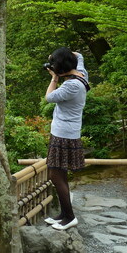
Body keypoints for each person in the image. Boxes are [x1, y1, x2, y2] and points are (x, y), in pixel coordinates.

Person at [43, 47, 89, 230]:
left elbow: (49, 97)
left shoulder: (71, 86)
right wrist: (61, 56)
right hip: (68, 132)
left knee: (55, 175)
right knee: (60, 174)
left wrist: (54, 78)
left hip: (63, 135)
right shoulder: (81, 74)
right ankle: (64, 214)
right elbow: (79, 55)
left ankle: (69, 217)